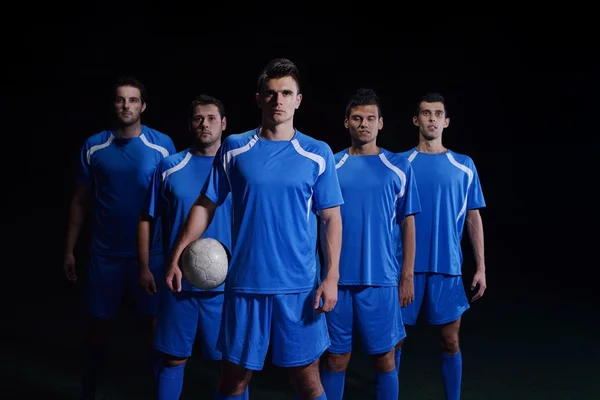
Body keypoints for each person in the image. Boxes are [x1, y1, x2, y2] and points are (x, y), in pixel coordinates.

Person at [164, 58, 343, 400]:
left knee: (307, 382)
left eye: (286, 93)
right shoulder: (234, 148)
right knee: (233, 382)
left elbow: (331, 218)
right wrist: (176, 256)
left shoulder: (317, 153)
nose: (279, 101)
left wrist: (331, 276)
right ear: (258, 98)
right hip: (245, 284)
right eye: (271, 93)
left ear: (298, 100)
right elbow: (205, 205)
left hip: (298, 287)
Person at [63, 77, 176, 400]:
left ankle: (160, 393)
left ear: (143, 106)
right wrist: (69, 250)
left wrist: (175, 253)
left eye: (132, 100)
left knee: (155, 332)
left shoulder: (162, 145)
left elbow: (174, 201)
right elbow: (80, 202)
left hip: (151, 257)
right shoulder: (94, 146)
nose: (126, 105)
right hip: (105, 255)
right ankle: (89, 392)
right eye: (119, 100)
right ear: (113, 105)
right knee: (97, 330)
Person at [319, 88, 421, 400]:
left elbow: (408, 223)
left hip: (381, 281)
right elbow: (320, 222)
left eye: (370, 118)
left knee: (384, 358)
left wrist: (407, 274)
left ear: (380, 124)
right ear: (346, 122)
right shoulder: (330, 167)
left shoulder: (399, 166)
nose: (364, 123)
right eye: (357, 118)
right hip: (337, 281)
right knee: (336, 359)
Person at [137, 94, 234, 399]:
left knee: (232, 366)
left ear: (224, 124)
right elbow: (146, 218)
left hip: (227, 288)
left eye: (211, 118)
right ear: (190, 124)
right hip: (178, 283)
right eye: (197, 118)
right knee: (173, 359)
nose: (204, 124)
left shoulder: (238, 168)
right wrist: (145, 266)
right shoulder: (170, 166)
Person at [395, 92, 487, 400]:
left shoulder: (463, 166)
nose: (431, 118)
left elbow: (473, 218)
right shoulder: (399, 164)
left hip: (447, 268)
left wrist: (481, 267)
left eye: (437, 113)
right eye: (425, 113)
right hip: (403, 269)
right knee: (393, 342)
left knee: (450, 341)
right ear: (416, 119)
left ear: (446, 122)